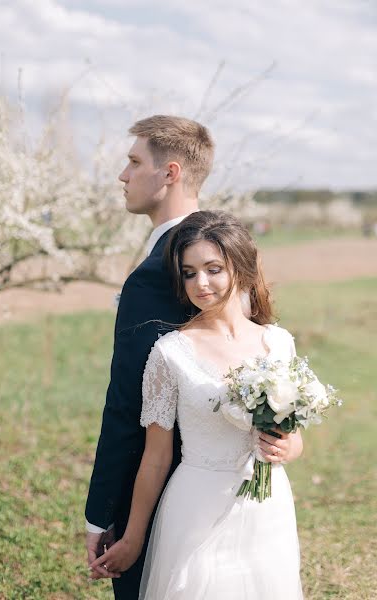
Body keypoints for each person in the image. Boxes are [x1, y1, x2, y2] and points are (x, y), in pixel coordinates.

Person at [90, 210, 304, 599]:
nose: (200, 283)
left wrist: (289, 447)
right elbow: (156, 458)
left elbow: (294, 435)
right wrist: (135, 538)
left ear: (240, 267)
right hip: (195, 509)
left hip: (267, 510)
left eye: (213, 268)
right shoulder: (169, 354)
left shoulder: (279, 343)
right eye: (189, 273)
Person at [85, 115, 215, 599]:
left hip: (165, 492)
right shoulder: (217, 246)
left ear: (170, 173)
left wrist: (103, 512)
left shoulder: (162, 268)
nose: (123, 175)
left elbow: (129, 402)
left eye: (134, 162)